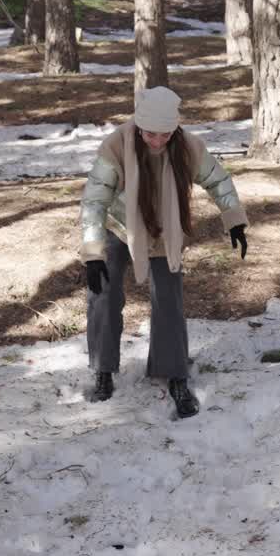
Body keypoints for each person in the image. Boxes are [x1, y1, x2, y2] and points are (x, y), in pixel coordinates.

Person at [79, 86, 249, 419]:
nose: (157, 141)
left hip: (164, 229)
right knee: (103, 293)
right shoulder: (116, 145)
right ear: (139, 126)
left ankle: (175, 376)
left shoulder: (187, 146)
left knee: (169, 300)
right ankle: (102, 369)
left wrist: (235, 220)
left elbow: (218, 180)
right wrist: (93, 252)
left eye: (165, 134)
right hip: (119, 226)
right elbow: (94, 201)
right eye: (150, 134)